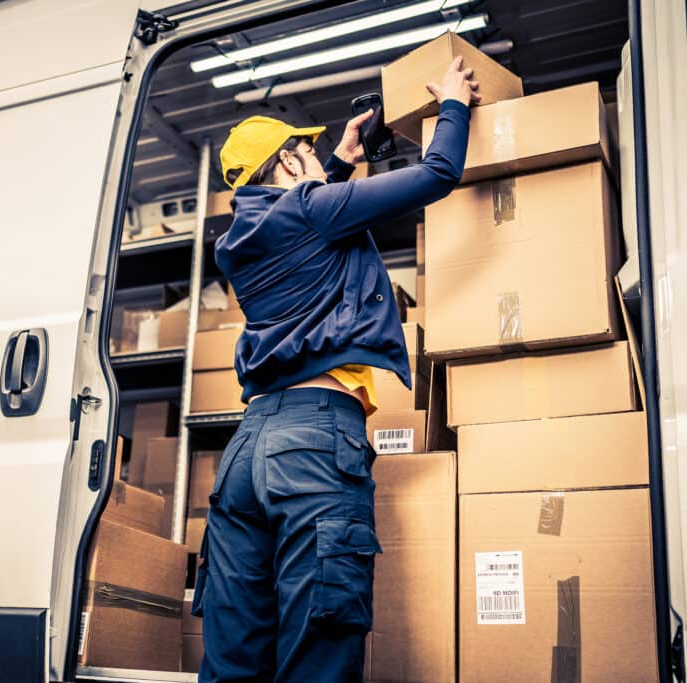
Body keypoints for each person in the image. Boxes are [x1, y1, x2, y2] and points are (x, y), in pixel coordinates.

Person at [191, 56, 479, 683]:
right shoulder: (312, 210)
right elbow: (438, 173)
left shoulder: (238, 240)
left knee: (235, 658)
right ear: (289, 164)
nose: (313, 159)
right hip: (314, 442)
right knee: (317, 654)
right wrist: (454, 104)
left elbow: (310, 222)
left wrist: (342, 160)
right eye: (304, 152)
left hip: (247, 451)